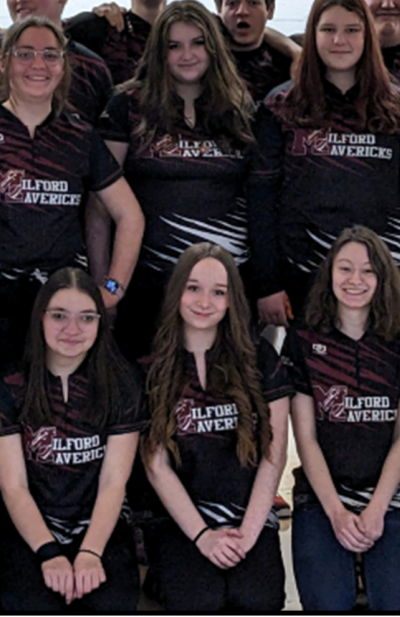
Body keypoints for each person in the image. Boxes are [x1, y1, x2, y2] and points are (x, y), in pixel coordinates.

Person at [0, 16, 144, 367]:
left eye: (50, 55)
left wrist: (112, 290)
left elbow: (130, 216)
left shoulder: (80, 137)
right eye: (25, 54)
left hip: (61, 305)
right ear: (4, 63)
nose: (38, 64)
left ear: (63, 66)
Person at [250, 0, 400, 328]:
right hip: (303, 277)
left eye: (352, 29)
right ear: (312, 34)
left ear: (367, 35)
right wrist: (268, 283)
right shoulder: (280, 107)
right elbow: (261, 201)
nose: (340, 40)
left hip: (385, 276)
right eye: (328, 30)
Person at [97, 0, 257, 360]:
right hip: (149, 283)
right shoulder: (128, 104)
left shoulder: (240, 107)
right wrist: (106, 285)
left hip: (226, 284)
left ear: (213, 47)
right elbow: (100, 207)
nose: (187, 54)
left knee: (223, 390)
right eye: (174, 45)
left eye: (197, 43)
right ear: (158, 51)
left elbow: (258, 198)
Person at [0, 267, 144, 610]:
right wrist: (49, 552)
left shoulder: (122, 382)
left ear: (101, 323)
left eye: (86, 318)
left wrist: (90, 552)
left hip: (99, 523)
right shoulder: (9, 383)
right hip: (28, 526)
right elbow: (14, 486)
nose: (72, 330)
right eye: (59, 316)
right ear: (39, 318)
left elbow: (114, 481)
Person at [284, 226, 400, 611]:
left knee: (398, 603)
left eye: (367, 271)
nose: (355, 280)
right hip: (322, 493)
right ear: (329, 274)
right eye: (345, 269)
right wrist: (335, 511)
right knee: (329, 603)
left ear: (383, 279)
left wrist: (378, 507)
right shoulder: (304, 337)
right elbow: (306, 439)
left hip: (388, 492)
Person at [143, 243, 291, 611]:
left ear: (231, 300)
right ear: (176, 291)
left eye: (218, 292)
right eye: (193, 288)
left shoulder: (260, 358)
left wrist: (249, 533)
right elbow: (156, 465)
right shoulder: (151, 366)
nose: (204, 301)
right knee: (199, 599)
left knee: (258, 599)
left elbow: (274, 452)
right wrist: (203, 536)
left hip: (247, 515)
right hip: (183, 520)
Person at [212, 0, 295, 103]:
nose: (242, 11)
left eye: (253, 2)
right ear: (219, 9)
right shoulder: (207, 59)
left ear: (270, 10)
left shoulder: (287, 61)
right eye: (232, 3)